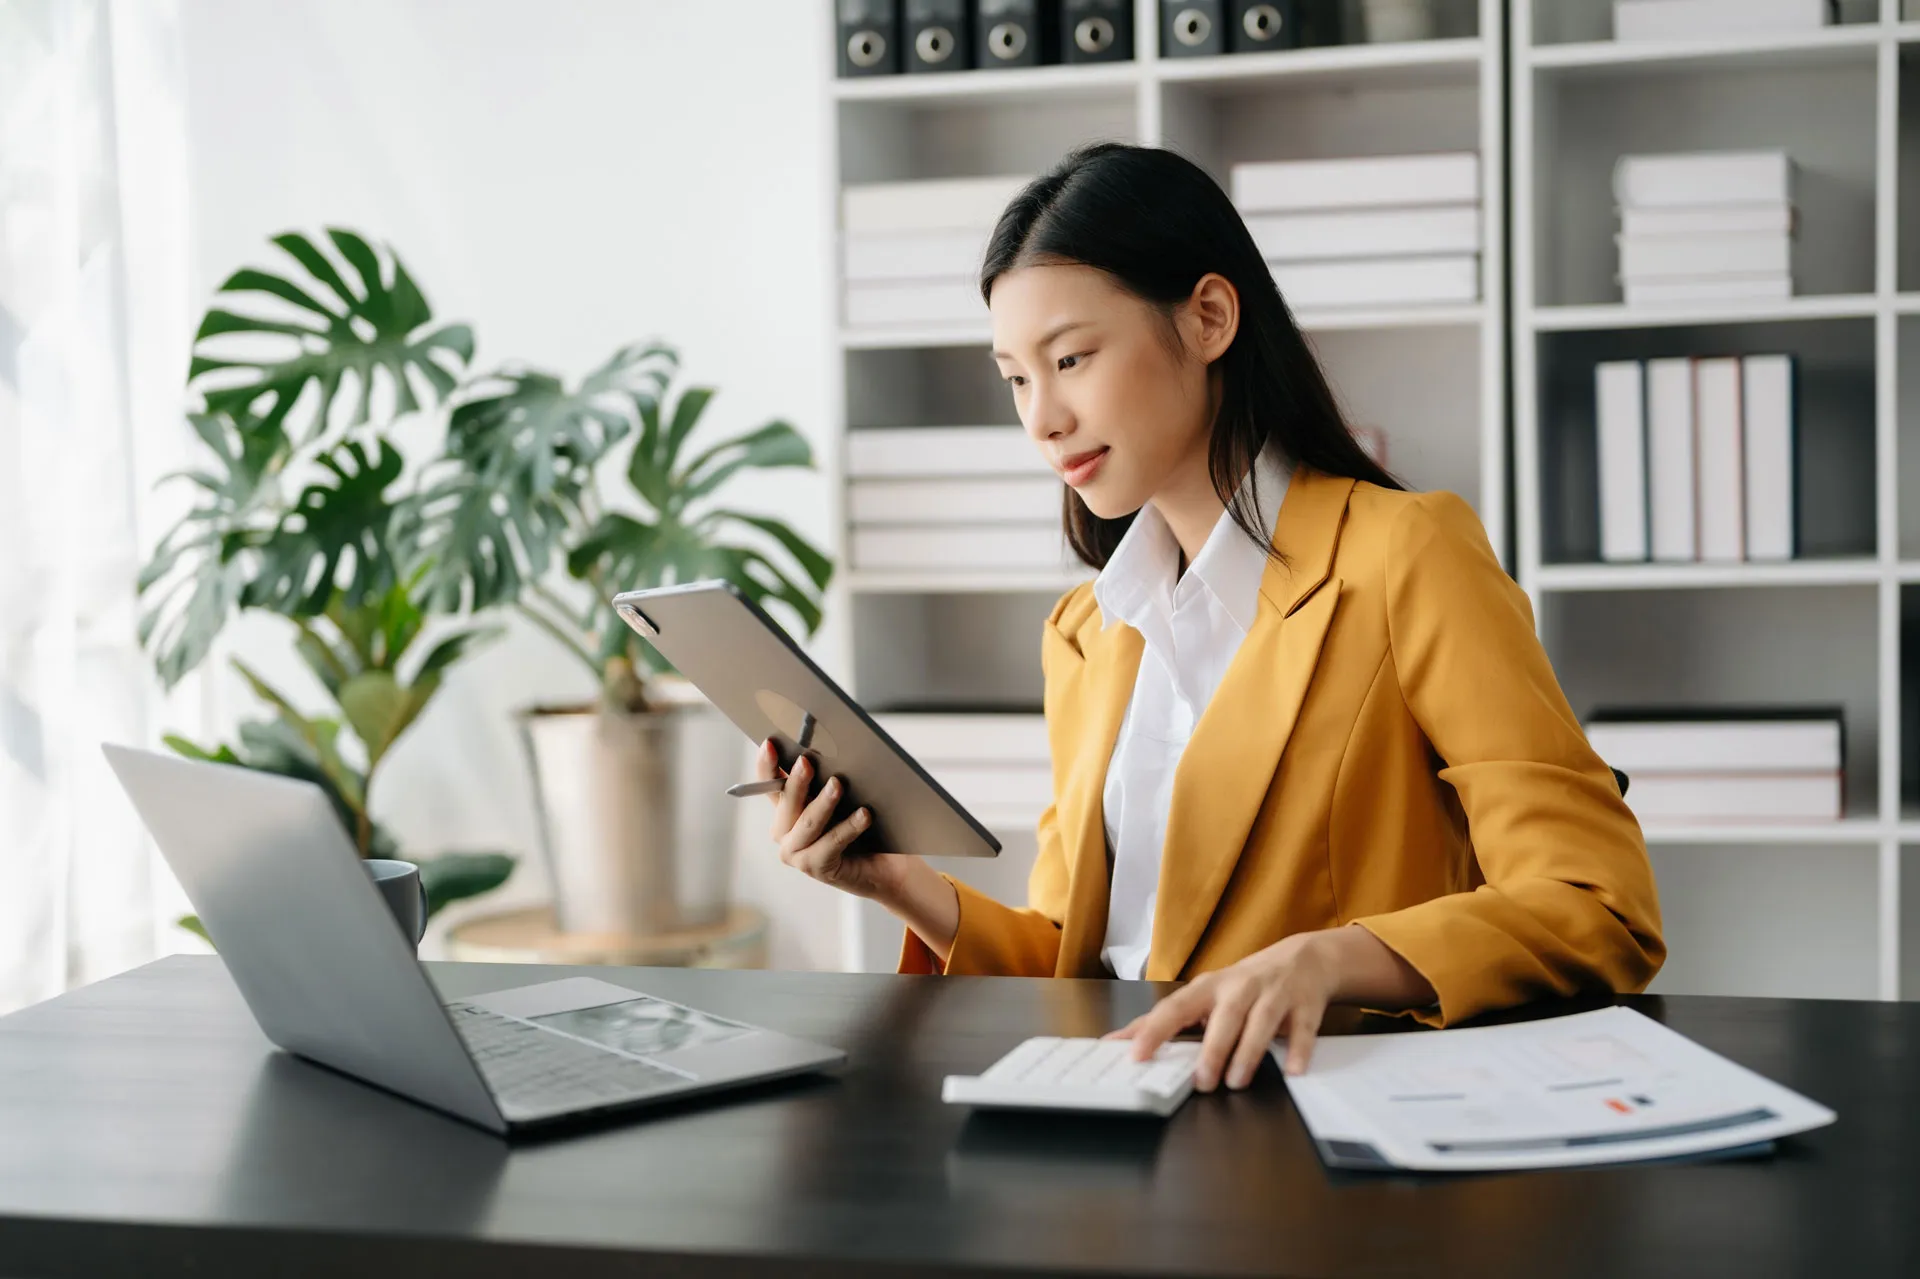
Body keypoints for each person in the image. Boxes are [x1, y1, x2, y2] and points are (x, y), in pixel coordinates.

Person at [755, 141, 1663, 1095]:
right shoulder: (1087, 630)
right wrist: (897, 880)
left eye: (1071, 358)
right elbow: (1080, 962)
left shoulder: (1406, 555)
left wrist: (1328, 958)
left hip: (1327, 1130)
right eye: (1016, 377)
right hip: (1124, 1126)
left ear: (1210, 318)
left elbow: (1597, 903)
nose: (1043, 418)